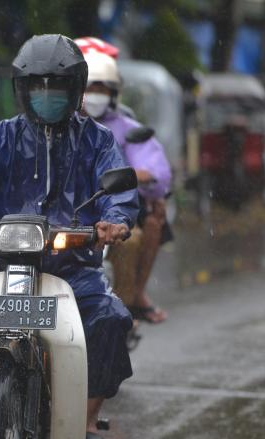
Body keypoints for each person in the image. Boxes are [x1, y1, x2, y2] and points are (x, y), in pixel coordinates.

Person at [0, 34, 138, 439]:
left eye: (56, 88)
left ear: (75, 90)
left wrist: (114, 221)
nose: (47, 97)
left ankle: (86, 421)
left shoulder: (96, 141)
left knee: (111, 319)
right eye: (37, 87)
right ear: (22, 91)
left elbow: (117, 187)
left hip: (73, 265)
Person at [75, 40, 172, 324]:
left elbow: (157, 172)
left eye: (101, 88)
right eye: (89, 87)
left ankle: (125, 305)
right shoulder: (59, 125)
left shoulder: (125, 128)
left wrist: (131, 175)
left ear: (113, 92)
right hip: (66, 210)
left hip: (111, 211)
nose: (94, 95)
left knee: (134, 237)